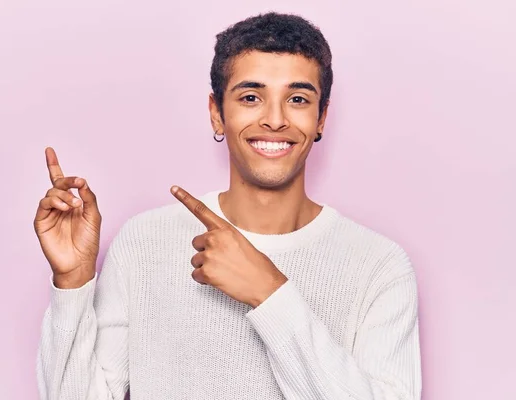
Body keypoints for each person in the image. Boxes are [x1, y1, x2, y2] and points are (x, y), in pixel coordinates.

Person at [34, 12, 422, 400]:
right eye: (251, 97)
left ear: (321, 117)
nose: (274, 119)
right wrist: (72, 282)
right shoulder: (144, 241)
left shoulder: (379, 266)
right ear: (217, 113)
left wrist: (269, 292)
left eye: (298, 99)